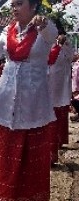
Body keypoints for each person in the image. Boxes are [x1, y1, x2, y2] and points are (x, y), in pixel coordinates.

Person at [0, 0, 58, 201]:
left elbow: (52, 35)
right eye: (13, 4)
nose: (14, 8)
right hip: (6, 94)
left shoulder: (44, 29)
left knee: (31, 150)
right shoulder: (7, 31)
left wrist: (44, 24)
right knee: (4, 146)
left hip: (34, 100)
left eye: (19, 4)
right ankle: (0, 198)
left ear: (33, 7)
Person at [48, 32, 74, 164]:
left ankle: (50, 156)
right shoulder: (65, 53)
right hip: (62, 94)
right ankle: (57, 146)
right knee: (59, 121)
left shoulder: (53, 51)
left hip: (51, 95)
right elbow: (72, 54)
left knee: (49, 125)